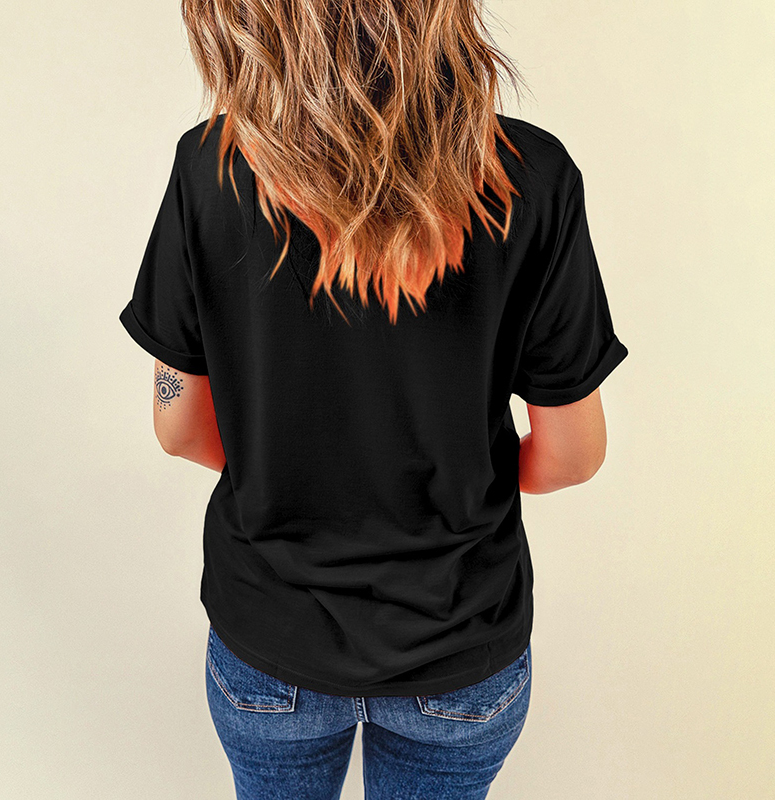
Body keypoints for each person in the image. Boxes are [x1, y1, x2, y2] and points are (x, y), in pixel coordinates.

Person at [118, 1, 629, 797]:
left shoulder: (210, 166)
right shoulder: (531, 176)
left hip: (270, 640)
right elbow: (573, 455)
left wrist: (285, 474)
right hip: (459, 645)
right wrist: (458, 485)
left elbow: (177, 423)